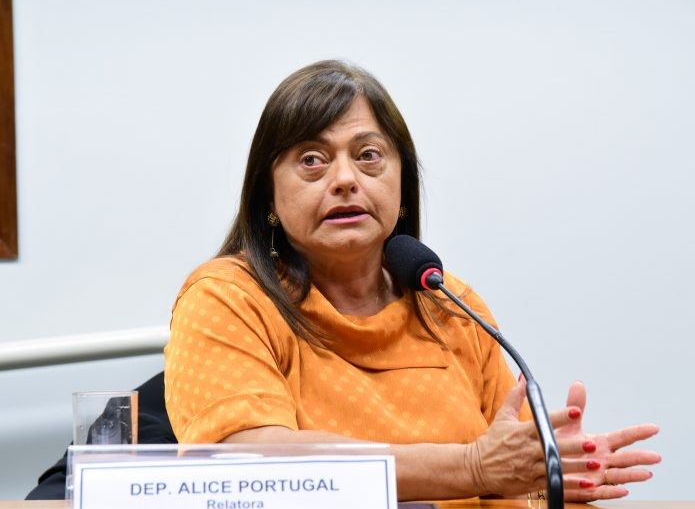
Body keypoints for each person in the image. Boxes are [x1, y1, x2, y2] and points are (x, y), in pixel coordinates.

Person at [164, 59, 661, 502]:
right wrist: (471, 468)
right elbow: (244, 460)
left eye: (369, 155)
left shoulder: (447, 301)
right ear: (268, 196)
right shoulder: (228, 298)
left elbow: (510, 462)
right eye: (312, 160)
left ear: (402, 184)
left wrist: (550, 473)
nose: (346, 179)